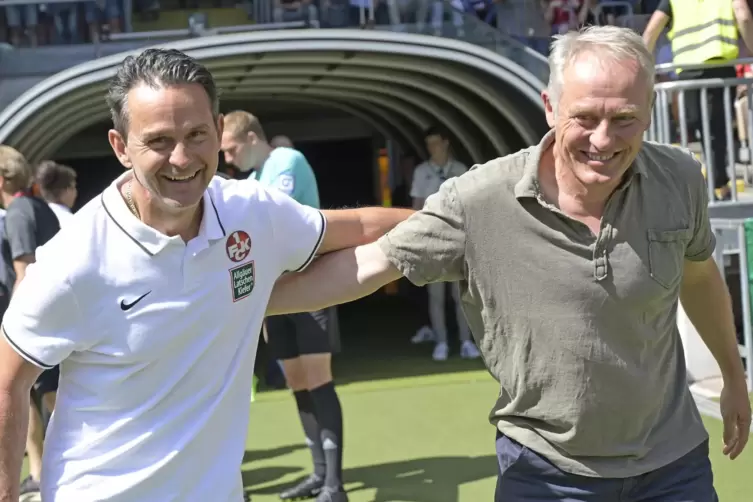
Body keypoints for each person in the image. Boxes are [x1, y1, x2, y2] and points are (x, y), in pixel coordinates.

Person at [266, 26, 752, 501]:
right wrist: (244, 301)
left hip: (674, 466)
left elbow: (699, 274)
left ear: (650, 110)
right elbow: (369, 264)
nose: (603, 141)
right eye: (584, 117)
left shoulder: (679, 178)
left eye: (625, 118)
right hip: (549, 473)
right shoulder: (479, 200)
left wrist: (733, 377)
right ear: (549, 108)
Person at [0, 48, 413, 502]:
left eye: (196, 134)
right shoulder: (75, 257)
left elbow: (352, 235)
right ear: (120, 147)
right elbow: (7, 380)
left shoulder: (249, 211)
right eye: (158, 141)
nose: (181, 158)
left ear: (219, 131)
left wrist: (448, 221)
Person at [221, 111, 348, 502]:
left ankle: (334, 484)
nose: (227, 159)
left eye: (230, 149)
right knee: (296, 382)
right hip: (277, 297)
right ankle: (318, 472)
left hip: (309, 289)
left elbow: (270, 224)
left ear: (250, 137)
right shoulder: (256, 178)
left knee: (317, 378)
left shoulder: (285, 162)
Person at [642, 0, 753, 200]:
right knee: (718, 130)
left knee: (698, 130)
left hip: (688, 72)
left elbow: (651, 31)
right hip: (720, 69)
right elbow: (743, 15)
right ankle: (717, 184)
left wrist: (642, 66)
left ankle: (711, 185)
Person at [0, 146, 62, 499]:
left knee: (29, 396)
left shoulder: (19, 211)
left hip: (39, 327)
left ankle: (39, 474)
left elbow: (24, 273)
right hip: (57, 321)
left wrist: (13, 331)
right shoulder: (39, 206)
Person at [409, 126, 480, 362]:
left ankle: (465, 341)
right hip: (432, 242)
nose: (433, 148)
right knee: (436, 296)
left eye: (436, 143)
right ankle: (441, 342)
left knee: (461, 295)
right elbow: (416, 206)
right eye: (429, 144)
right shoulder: (421, 171)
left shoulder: (460, 170)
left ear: (446, 143)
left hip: (459, 241)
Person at [35, 160, 78, 228]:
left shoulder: (38, 218)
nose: (75, 192)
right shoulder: (70, 221)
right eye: (73, 187)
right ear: (66, 190)